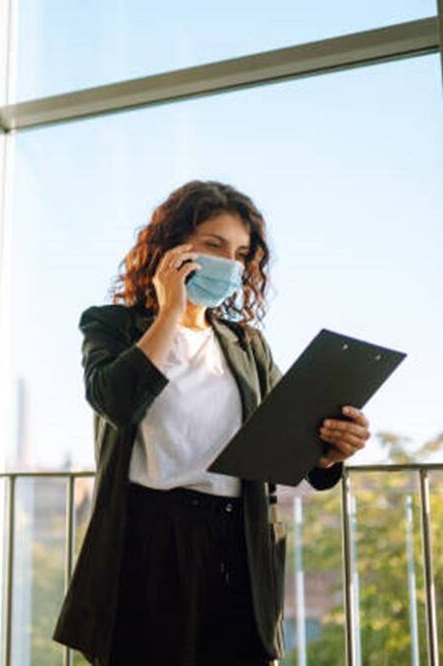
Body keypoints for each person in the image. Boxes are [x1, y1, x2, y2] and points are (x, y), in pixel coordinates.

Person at [52, 180, 371, 665]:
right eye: (214, 245)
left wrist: (330, 451)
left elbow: (286, 440)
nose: (230, 263)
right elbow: (115, 402)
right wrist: (171, 310)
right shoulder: (112, 326)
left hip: (237, 543)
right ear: (172, 246)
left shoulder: (248, 345)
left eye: (241, 253)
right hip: (150, 540)